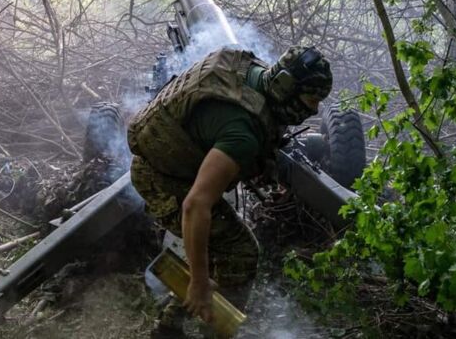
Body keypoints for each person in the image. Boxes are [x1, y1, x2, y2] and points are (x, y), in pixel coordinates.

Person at [127, 45, 333, 336]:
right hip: (162, 180)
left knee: (217, 247)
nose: (313, 110)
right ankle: (216, 332)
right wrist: (199, 282)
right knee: (241, 252)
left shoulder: (251, 70)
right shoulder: (242, 135)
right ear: (285, 86)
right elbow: (195, 206)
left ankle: (170, 326)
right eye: (311, 99)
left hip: (171, 163)